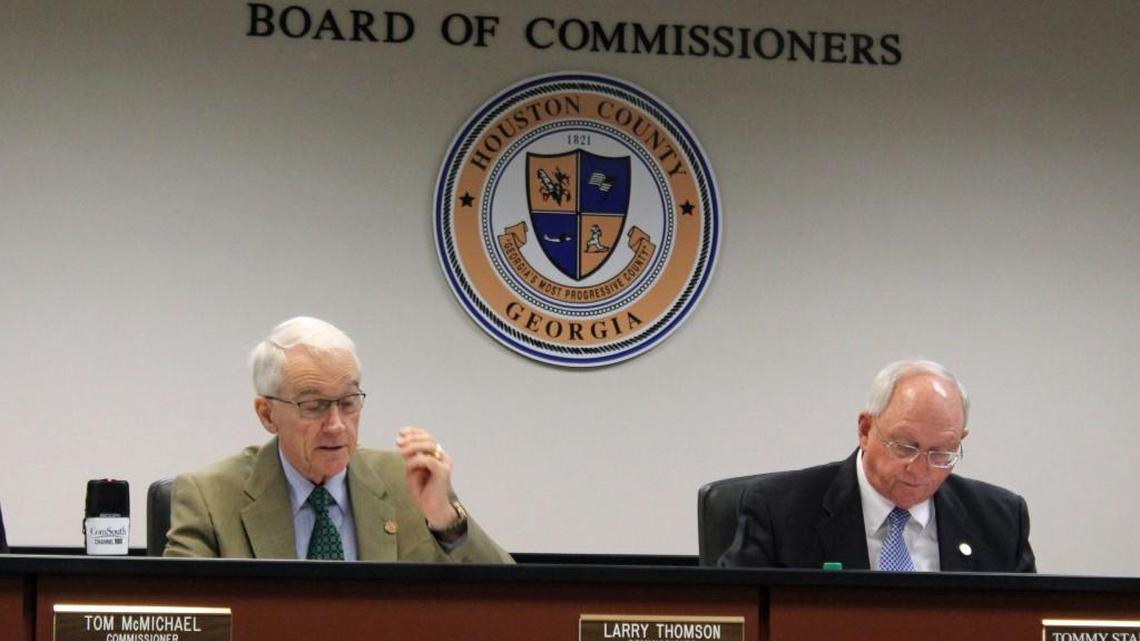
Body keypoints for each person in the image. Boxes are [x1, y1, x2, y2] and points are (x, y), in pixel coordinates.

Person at [164, 316, 512, 563]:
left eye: (348, 403)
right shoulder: (209, 497)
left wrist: (444, 519)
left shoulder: (406, 482)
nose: (336, 426)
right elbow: (181, 619)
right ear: (267, 415)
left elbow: (510, 603)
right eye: (313, 406)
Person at [719, 359, 1035, 572]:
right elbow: (734, 618)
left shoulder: (1001, 521)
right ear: (866, 430)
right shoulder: (779, 511)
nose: (919, 469)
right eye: (904, 447)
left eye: (940, 453)